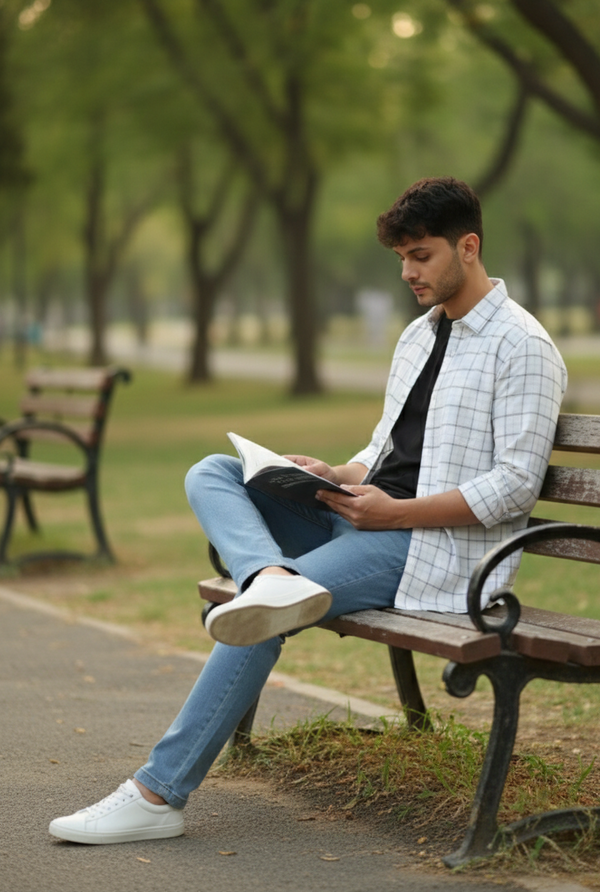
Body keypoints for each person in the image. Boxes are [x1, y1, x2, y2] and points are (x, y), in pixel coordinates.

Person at [49, 176, 567, 844]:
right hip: (365, 515)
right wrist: (332, 473)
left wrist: (393, 514)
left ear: (469, 246)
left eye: (421, 255)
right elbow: (385, 450)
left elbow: (517, 486)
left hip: (430, 548)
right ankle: (266, 573)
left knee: (265, 617)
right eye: (402, 258)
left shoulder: (522, 346)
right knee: (212, 471)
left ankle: (157, 793)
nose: (408, 271)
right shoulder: (417, 336)